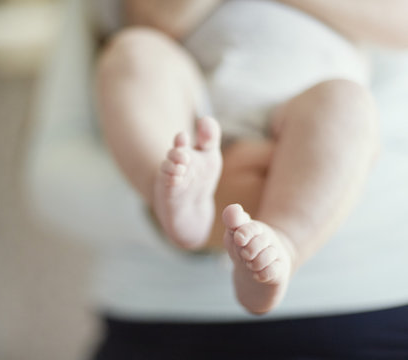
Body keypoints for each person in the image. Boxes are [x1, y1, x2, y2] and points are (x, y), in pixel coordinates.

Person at [91, 0, 408, 358]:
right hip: (192, 109)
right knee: (134, 51)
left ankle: (283, 245)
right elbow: (150, 16)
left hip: (307, 112)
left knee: (349, 105)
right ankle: (171, 196)